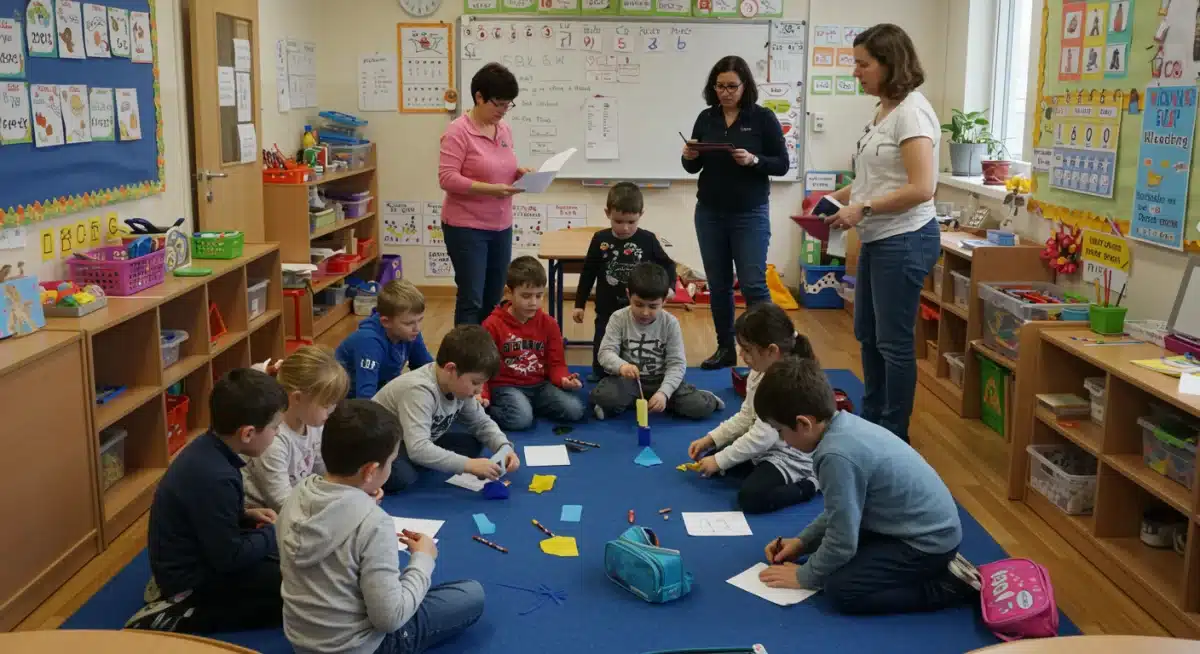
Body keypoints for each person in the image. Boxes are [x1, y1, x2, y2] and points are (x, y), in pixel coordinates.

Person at [752, 357, 981, 615]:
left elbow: (842, 542)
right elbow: (841, 513)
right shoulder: (842, 424)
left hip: (927, 544)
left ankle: (949, 585)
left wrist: (804, 576)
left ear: (804, 424)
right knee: (838, 561)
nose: (782, 441)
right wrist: (802, 542)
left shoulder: (835, 456)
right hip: (915, 527)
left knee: (841, 590)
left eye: (780, 431)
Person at [278, 400, 484, 654]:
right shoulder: (374, 524)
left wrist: (359, 500)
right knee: (471, 594)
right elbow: (389, 619)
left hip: (302, 640)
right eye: (391, 461)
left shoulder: (297, 495)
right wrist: (423, 559)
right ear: (371, 470)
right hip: (360, 647)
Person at [822, 24, 941, 443]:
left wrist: (863, 208)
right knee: (867, 336)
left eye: (863, 64)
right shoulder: (884, 111)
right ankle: (872, 420)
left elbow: (922, 187)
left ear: (890, 64)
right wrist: (833, 199)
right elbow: (873, 180)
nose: (855, 72)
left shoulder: (912, 114)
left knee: (893, 343)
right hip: (878, 238)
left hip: (905, 238)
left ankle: (893, 434)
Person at [126, 369, 289, 633]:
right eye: (275, 427)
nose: (277, 433)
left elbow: (208, 515)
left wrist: (245, 515)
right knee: (291, 593)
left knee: (282, 564)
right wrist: (274, 533)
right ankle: (179, 613)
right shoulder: (216, 476)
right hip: (191, 577)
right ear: (247, 433)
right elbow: (230, 558)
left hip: (193, 554)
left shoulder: (210, 449)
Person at [681, 55, 789, 370]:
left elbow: (782, 164)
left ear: (745, 86)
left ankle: (767, 350)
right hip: (710, 212)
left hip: (749, 213)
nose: (725, 92)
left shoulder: (762, 118)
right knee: (719, 285)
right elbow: (692, 167)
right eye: (720, 86)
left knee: (753, 284)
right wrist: (689, 156)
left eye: (732, 86)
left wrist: (754, 160)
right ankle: (725, 348)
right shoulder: (706, 118)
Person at [686, 303, 818, 514]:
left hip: (791, 455)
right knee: (715, 461)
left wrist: (719, 461)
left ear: (772, 351)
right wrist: (711, 439)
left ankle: (810, 484)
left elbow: (762, 436)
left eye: (747, 350)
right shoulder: (759, 371)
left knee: (751, 498)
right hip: (768, 446)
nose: (741, 355)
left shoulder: (786, 383)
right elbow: (746, 416)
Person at [372, 325, 520, 493]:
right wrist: (468, 464)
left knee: (472, 444)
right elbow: (418, 448)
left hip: (414, 438)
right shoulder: (419, 390)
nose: (479, 390)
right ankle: (418, 461)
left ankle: (424, 459)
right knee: (403, 476)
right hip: (381, 445)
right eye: (475, 382)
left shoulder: (458, 387)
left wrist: (503, 447)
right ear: (451, 369)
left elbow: (481, 423)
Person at [438, 62, 530, 325]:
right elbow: (447, 178)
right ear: (479, 97)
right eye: (498, 104)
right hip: (466, 227)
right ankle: (466, 350)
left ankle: (488, 348)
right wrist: (492, 190)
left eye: (508, 105)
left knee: (494, 298)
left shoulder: (504, 129)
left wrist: (519, 173)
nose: (503, 111)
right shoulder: (458, 131)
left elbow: (500, 167)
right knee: (472, 298)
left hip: (501, 225)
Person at [591, 262, 723, 420]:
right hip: (629, 381)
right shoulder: (618, 318)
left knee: (698, 406)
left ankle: (707, 398)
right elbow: (605, 353)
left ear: (664, 300)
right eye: (639, 304)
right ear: (628, 294)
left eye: (653, 306)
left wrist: (664, 393)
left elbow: (677, 364)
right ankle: (629, 401)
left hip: (662, 379)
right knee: (604, 396)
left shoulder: (670, 323)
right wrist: (622, 366)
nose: (645, 312)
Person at [572, 182, 676, 381]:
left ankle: (631, 372)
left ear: (641, 215)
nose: (625, 227)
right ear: (607, 213)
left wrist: (670, 288)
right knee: (602, 339)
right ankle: (599, 373)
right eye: (618, 221)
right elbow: (588, 273)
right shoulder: (600, 239)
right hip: (606, 305)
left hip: (637, 306)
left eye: (631, 221)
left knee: (632, 341)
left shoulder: (647, 239)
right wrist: (579, 304)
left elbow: (668, 265)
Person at [482, 255, 586, 431]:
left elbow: (556, 363)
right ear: (508, 293)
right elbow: (483, 367)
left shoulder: (549, 323)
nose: (533, 303)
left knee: (575, 410)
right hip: (506, 386)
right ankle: (492, 410)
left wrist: (563, 379)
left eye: (539, 296)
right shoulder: (492, 325)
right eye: (526, 296)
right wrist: (483, 395)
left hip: (539, 385)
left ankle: (526, 406)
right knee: (521, 420)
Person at [244, 346, 350, 512]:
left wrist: (353, 490)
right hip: (262, 512)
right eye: (326, 405)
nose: (331, 411)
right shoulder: (273, 440)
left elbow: (323, 473)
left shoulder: (313, 423)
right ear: (297, 398)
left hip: (297, 500)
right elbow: (281, 503)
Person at [336, 279, 433, 400]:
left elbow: (427, 369)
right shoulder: (368, 342)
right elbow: (365, 397)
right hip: (345, 400)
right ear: (386, 322)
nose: (417, 328)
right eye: (409, 323)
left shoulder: (410, 333)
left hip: (382, 390)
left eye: (420, 320)